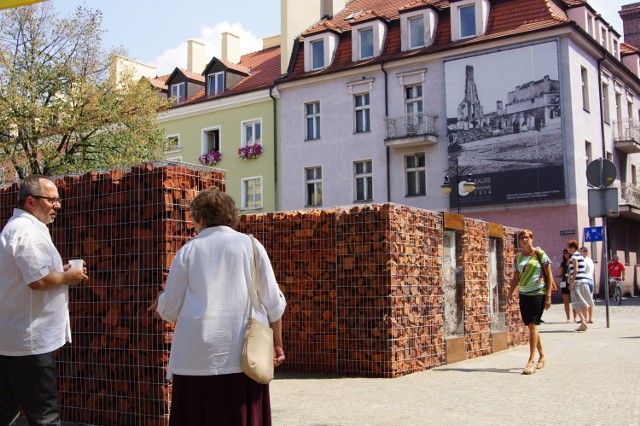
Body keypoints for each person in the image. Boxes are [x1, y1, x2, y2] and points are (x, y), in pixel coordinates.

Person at [149, 187, 286, 426]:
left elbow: (169, 309)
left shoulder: (187, 252)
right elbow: (274, 303)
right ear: (230, 216)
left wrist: (160, 301)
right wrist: (277, 344)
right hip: (245, 356)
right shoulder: (252, 246)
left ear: (200, 219)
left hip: (196, 359)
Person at [0, 175, 88, 426]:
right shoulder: (27, 232)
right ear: (30, 201)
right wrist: (67, 276)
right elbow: (37, 281)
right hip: (30, 341)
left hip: (15, 337)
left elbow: (29, 274)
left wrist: (60, 270)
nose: (58, 206)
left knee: (5, 410)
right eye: (52, 200)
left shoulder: (22, 229)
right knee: (45, 417)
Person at [510, 229, 552, 375]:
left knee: (533, 324)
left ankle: (531, 361)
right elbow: (516, 277)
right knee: (531, 326)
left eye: (526, 237)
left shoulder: (540, 254)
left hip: (538, 293)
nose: (524, 240)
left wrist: (548, 296)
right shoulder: (518, 257)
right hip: (524, 293)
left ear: (532, 238)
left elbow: (549, 275)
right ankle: (542, 356)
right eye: (521, 238)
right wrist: (510, 292)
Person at [566, 240, 594, 331]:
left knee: (575, 303)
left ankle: (583, 321)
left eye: (569, 247)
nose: (568, 249)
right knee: (582, 302)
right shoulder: (580, 256)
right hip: (583, 281)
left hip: (577, 282)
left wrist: (571, 282)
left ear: (573, 247)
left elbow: (576, 270)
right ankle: (584, 321)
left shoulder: (574, 256)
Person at [554, 249, 572, 322]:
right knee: (566, 301)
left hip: (572, 282)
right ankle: (568, 318)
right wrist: (556, 276)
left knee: (574, 300)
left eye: (567, 253)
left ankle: (575, 317)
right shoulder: (563, 263)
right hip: (565, 282)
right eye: (564, 253)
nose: (565, 254)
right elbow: (562, 274)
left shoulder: (573, 261)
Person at [580, 247, 595, 323]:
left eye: (581, 252)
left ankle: (585, 318)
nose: (580, 254)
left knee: (584, 300)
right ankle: (590, 318)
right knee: (590, 300)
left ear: (585, 252)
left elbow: (581, 271)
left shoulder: (583, 261)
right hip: (591, 280)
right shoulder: (590, 260)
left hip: (584, 280)